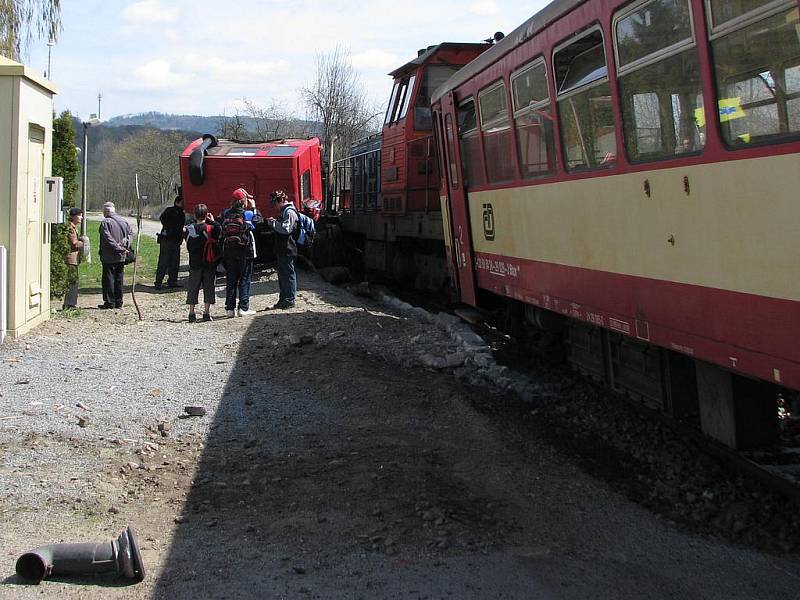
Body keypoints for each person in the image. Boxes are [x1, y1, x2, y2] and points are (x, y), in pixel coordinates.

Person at [221, 189, 257, 317]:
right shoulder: (247, 214)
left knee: (231, 280)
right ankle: (243, 308)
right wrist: (254, 208)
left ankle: (229, 309)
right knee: (245, 279)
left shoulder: (226, 213)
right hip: (244, 251)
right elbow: (258, 222)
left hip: (229, 252)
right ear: (243, 201)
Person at [184, 203, 221, 322]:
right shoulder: (211, 228)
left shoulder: (189, 229)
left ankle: (191, 313)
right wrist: (213, 221)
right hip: (209, 263)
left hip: (194, 263)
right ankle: (206, 313)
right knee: (209, 287)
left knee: (193, 287)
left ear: (194, 215)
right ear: (206, 215)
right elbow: (219, 230)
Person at [98, 201, 133, 309]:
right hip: (121, 256)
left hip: (109, 255)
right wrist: (124, 244)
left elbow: (108, 239)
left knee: (108, 279)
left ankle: (110, 302)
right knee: (119, 278)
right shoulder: (124, 221)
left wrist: (118, 248)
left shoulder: (105, 223)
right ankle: (119, 301)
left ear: (106, 211)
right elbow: (131, 234)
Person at [267, 189, 298, 309]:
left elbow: (286, 229)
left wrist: (273, 223)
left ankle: (289, 300)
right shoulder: (284, 211)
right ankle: (283, 299)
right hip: (282, 248)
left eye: (275, 204)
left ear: (281, 201)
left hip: (288, 248)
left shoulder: (289, 212)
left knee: (288, 274)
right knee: (282, 274)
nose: (274, 207)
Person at [155, 194, 185, 289]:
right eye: (181, 203)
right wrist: (170, 228)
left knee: (175, 262)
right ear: (177, 202)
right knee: (164, 261)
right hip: (167, 239)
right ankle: (158, 282)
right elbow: (162, 218)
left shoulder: (182, 213)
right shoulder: (170, 210)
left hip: (176, 240)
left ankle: (172, 281)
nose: (183, 205)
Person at [63, 208, 87, 309]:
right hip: (71, 259)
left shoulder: (74, 227)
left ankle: (71, 303)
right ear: (73, 216)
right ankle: (69, 304)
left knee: (74, 281)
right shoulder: (70, 228)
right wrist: (83, 242)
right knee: (72, 281)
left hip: (74, 259)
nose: (81, 217)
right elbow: (74, 243)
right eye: (79, 215)